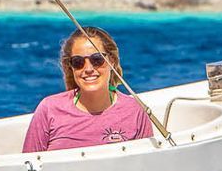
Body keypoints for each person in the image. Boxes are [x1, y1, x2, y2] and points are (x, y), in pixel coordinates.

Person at [20, 25, 152, 152]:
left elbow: (145, 168)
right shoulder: (49, 109)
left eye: (97, 59)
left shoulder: (135, 111)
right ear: (71, 67)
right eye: (78, 62)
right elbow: (27, 168)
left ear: (111, 61)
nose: (88, 69)